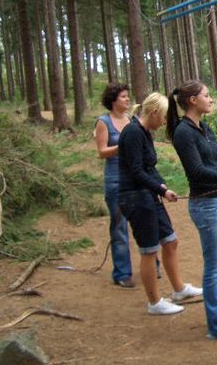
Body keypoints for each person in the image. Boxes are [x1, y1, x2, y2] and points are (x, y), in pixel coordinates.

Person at [167, 80, 217, 340]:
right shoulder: (183, 132)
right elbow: (197, 171)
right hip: (205, 204)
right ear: (192, 100)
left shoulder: (203, 127)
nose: (211, 98)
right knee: (213, 267)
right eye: (206, 94)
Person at [118, 92, 202, 315]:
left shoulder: (145, 133)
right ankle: (154, 302)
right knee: (149, 250)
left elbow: (150, 168)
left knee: (170, 241)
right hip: (135, 198)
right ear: (154, 113)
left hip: (148, 195)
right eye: (164, 117)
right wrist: (161, 190)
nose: (165, 122)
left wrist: (163, 187)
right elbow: (136, 171)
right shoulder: (133, 132)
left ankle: (179, 289)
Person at [94, 83, 134, 288]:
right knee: (119, 227)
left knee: (142, 221)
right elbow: (102, 151)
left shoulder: (131, 120)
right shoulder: (103, 122)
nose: (127, 99)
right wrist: (124, 145)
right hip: (115, 180)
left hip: (134, 177)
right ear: (113, 99)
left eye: (128, 96)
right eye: (124, 96)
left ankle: (151, 265)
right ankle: (122, 273)